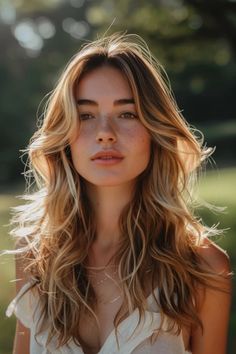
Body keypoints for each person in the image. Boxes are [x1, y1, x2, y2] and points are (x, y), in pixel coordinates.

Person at [5, 33, 231, 354]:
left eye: (127, 114)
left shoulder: (203, 268)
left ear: (155, 129)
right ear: (64, 135)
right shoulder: (34, 256)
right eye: (85, 115)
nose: (105, 134)